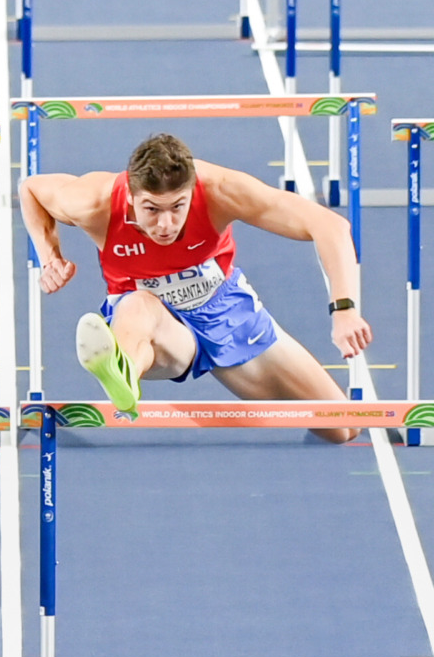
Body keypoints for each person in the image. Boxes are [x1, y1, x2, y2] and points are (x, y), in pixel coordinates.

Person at [18, 133, 372, 443]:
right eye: (152, 210)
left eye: (177, 207)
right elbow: (31, 188)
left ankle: (124, 370)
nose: (166, 223)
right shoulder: (93, 201)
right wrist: (50, 258)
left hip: (226, 310)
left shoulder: (220, 190)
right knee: (140, 305)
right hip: (155, 325)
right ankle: (123, 373)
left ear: (191, 193)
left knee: (341, 428)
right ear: (130, 198)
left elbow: (330, 226)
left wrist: (345, 310)